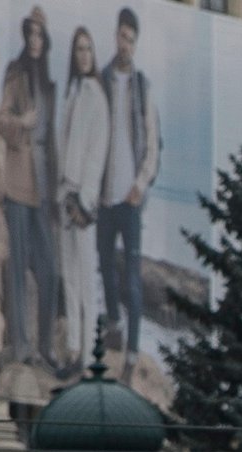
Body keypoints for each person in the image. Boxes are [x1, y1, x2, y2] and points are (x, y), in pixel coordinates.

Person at [0, 8, 59, 370]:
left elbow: (52, 141)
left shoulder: (49, 84)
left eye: (40, 35)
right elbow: (1, 120)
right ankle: (20, 344)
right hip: (18, 182)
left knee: (49, 268)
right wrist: (22, 122)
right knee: (18, 266)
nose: (35, 40)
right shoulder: (15, 74)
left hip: (43, 188)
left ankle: (46, 345)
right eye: (30, 34)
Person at [96, 6, 158, 360]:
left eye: (131, 40)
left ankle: (134, 350)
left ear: (136, 44)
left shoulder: (142, 86)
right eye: (122, 36)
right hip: (105, 195)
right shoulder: (102, 80)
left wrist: (141, 183)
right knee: (105, 265)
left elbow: (152, 141)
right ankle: (114, 329)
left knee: (131, 276)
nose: (125, 45)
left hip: (130, 197)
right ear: (115, 36)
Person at [53, 25, 107, 376]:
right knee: (69, 277)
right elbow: (64, 143)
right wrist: (63, 193)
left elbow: (95, 153)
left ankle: (90, 356)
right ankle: (74, 349)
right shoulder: (71, 92)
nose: (83, 55)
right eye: (78, 49)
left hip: (83, 198)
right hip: (65, 191)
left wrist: (84, 200)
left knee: (86, 281)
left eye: (88, 49)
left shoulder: (96, 97)